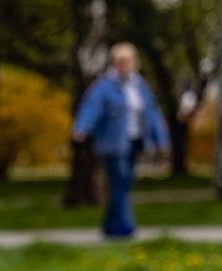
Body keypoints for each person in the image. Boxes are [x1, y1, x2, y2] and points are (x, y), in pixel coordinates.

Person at [72, 43, 170, 238]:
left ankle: (109, 225)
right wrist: (82, 127)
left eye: (128, 60)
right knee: (120, 181)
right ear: (114, 63)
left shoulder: (140, 86)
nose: (124, 65)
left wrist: (162, 139)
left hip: (135, 140)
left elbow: (152, 114)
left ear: (135, 62)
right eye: (120, 61)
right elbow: (92, 107)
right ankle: (125, 227)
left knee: (124, 182)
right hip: (112, 141)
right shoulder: (105, 86)